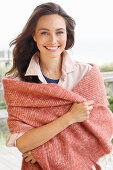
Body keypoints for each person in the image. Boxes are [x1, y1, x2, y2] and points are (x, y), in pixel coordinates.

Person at [2, 2, 113, 170]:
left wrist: (43, 148)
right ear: (34, 36)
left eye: (59, 32)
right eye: (44, 33)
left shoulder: (87, 74)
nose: (53, 40)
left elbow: (102, 132)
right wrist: (70, 117)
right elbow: (23, 144)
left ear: (67, 35)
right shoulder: (18, 83)